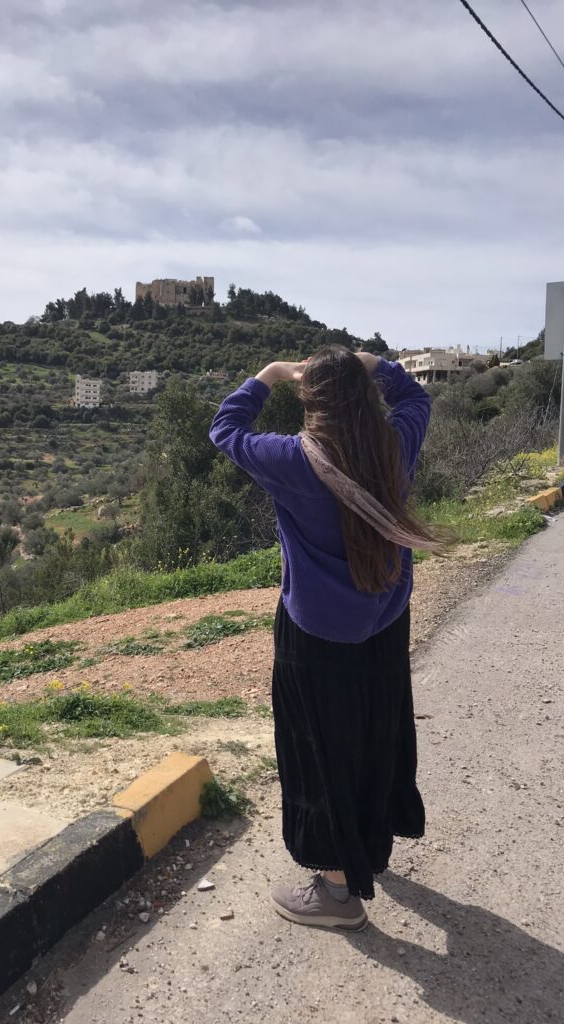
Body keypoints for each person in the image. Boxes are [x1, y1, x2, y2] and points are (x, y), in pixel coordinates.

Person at [209, 346, 441, 932]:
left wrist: (267, 375)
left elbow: (225, 427)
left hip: (315, 633)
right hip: (385, 622)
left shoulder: (291, 459)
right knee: (373, 729)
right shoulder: (395, 444)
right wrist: (376, 364)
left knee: (319, 749)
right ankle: (367, 840)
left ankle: (337, 892)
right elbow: (417, 397)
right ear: (365, 396)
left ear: (310, 401)